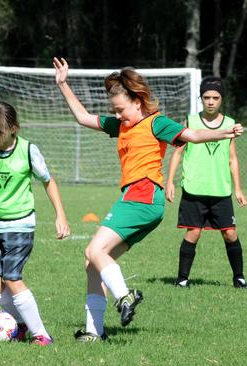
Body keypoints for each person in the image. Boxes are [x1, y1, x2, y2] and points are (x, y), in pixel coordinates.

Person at [53, 57, 243, 342]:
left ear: (137, 102)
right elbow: (82, 117)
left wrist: (223, 132)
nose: (117, 116)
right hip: (139, 201)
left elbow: (191, 134)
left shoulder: (156, 123)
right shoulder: (121, 126)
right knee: (93, 262)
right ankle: (94, 332)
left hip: (142, 196)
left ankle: (125, 296)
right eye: (114, 111)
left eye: (121, 110)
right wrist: (63, 84)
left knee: (94, 250)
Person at [0, 101, 70, 346]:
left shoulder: (29, 151)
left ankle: (41, 335)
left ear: (13, 128)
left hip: (20, 225)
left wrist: (60, 214)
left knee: (11, 277)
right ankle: (19, 324)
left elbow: (48, 181)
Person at [166, 76, 246, 289]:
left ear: (222, 99)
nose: (211, 101)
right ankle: (182, 279)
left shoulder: (230, 124)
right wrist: (170, 182)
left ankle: (239, 277)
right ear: (201, 98)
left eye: (215, 97)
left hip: (220, 190)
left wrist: (237, 188)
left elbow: (232, 158)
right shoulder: (190, 122)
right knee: (193, 232)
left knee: (230, 233)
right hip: (194, 189)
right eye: (207, 97)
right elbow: (177, 153)